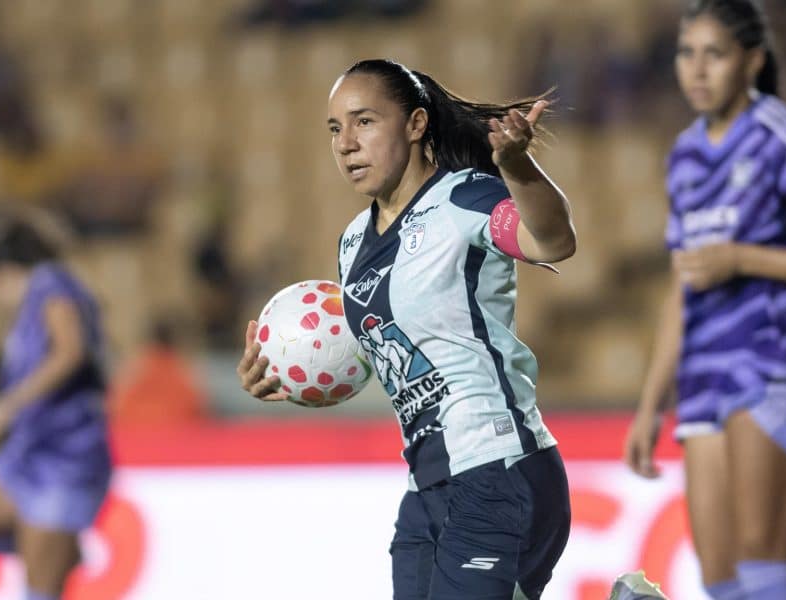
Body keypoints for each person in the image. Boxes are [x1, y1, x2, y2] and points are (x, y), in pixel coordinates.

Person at [238, 58, 576, 599]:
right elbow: (391, 353)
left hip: (497, 467)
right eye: (335, 129)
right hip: (426, 489)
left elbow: (553, 241)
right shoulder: (353, 242)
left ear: (416, 124)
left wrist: (517, 167)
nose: (346, 144)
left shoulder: (464, 198)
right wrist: (287, 374)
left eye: (364, 122)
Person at [623, 2, 786, 599]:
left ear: (753, 61)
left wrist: (743, 258)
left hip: (776, 365)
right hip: (705, 376)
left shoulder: (778, 136)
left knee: (762, 569)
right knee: (723, 580)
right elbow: (683, 283)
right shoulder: (685, 154)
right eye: (687, 53)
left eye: (715, 54)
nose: (697, 69)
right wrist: (650, 405)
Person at [0, 215, 112, 600]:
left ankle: (54, 547)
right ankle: (56, 547)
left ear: (5, 272)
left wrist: (5, 410)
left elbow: (69, 352)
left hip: (64, 458)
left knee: (40, 593)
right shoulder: (41, 301)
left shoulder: (50, 284)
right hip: (28, 453)